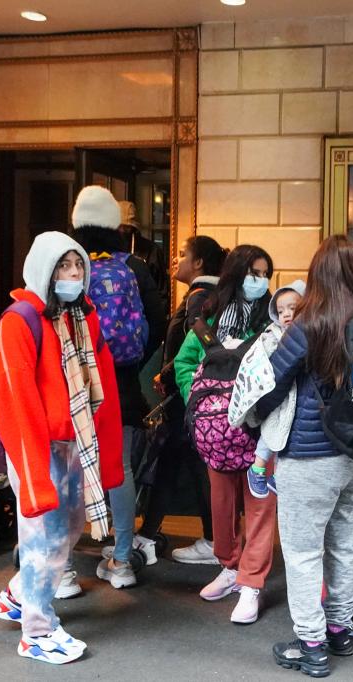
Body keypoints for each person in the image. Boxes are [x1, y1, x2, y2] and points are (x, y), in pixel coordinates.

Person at [0, 231, 124, 665]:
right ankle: (37, 632)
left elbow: (105, 387)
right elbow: (16, 398)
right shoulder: (19, 321)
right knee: (42, 535)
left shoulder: (83, 317)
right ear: (44, 269)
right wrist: (36, 471)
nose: (73, 274)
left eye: (78, 266)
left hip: (73, 441)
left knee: (69, 526)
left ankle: (20, 594)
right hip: (36, 443)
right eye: (63, 266)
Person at [259, 236, 353, 678]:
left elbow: (270, 380)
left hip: (309, 455)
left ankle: (311, 644)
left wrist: (256, 423)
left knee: (304, 551)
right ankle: (340, 630)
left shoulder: (310, 323)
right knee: (344, 544)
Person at [173, 244, 276, 624]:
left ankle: (251, 582)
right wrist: (199, 401)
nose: (260, 281)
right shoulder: (209, 318)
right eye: (253, 272)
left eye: (265, 273)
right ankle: (229, 566)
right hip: (217, 431)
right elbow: (184, 362)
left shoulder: (272, 318)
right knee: (221, 502)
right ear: (235, 274)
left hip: (259, 431)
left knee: (260, 507)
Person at [71, 186, 167, 586]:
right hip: (121, 384)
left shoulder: (68, 264)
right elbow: (158, 320)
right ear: (117, 225)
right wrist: (127, 364)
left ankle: (61, 563)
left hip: (74, 384)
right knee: (122, 468)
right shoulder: (133, 267)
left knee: (70, 470)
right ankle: (123, 559)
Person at [142, 235, 226, 565]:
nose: (175, 260)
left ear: (199, 263)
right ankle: (210, 539)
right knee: (185, 465)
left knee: (174, 463)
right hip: (195, 398)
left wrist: (167, 373)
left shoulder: (198, 297)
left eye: (182, 254)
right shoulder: (214, 295)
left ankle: (152, 538)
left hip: (187, 398)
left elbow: (200, 337)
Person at [231, 279, 306, 498]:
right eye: (281, 310)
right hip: (277, 395)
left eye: (293, 308)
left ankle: (275, 476)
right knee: (272, 431)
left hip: (294, 396)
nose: (286, 314)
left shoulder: (309, 332)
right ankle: (257, 468)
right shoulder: (272, 335)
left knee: (288, 436)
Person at [118, 200, 170, 305]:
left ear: (133, 228)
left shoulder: (151, 251)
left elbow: (162, 292)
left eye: (126, 227)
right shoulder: (107, 250)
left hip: (144, 312)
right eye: (119, 227)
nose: (122, 230)